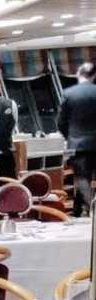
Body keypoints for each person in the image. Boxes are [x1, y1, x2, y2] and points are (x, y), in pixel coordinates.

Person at [57, 61, 96, 216]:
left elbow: (60, 122)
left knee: (81, 177)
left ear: (78, 74)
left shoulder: (69, 93)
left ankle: (86, 206)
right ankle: (80, 208)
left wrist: (70, 136)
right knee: (84, 179)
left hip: (78, 145)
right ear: (94, 75)